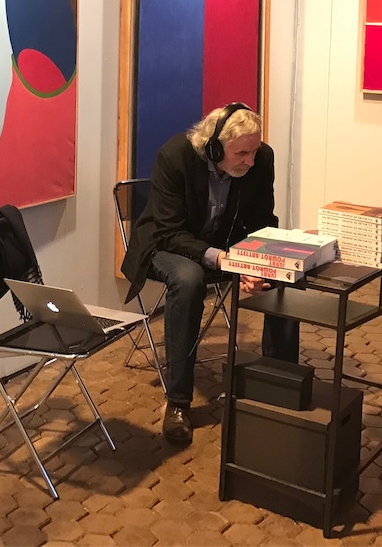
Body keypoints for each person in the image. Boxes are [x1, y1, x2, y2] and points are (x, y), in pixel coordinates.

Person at [121, 103, 300, 445]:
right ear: (215, 148)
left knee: (287, 272)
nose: (251, 161)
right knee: (189, 280)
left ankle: (280, 385)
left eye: (254, 151)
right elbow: (168, 231)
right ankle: (178, 403)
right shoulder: (174, 157)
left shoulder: (261, 159)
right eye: (241, 153)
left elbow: (263, 220)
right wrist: (228, 261)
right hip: (166, 245)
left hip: (224, 245)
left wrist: (255, 263)